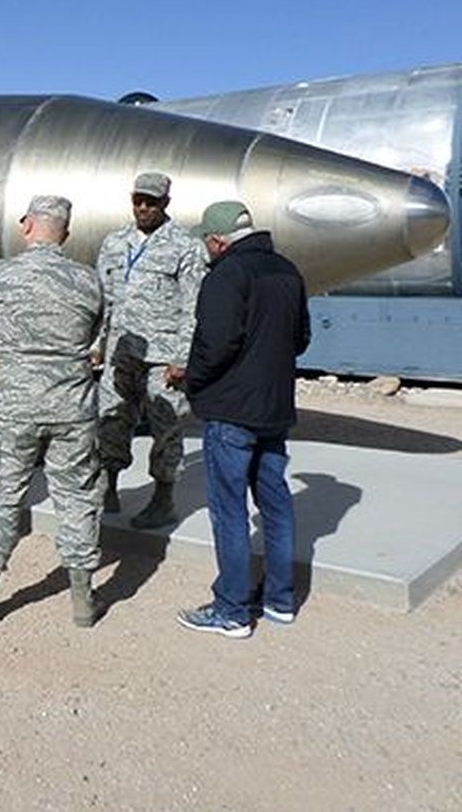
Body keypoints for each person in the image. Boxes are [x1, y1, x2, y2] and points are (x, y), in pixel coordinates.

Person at [0, 195, 105, 628]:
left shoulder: (0, 276)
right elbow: (95, 330)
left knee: (2, 496)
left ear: (26, 226)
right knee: (76, 497)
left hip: (12, 407)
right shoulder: (87, 280)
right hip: (71, 407)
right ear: (66, 233)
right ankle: (82, 601)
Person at [177, 200, 310, 638]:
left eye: (208, 243)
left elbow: (215, 345)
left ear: (218, 241)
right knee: (276, 506)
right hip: (274, 411)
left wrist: (191, 380)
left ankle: (231, 609)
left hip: (232, 412)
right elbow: (301, 339)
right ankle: (279, 600)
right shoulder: (288, 271)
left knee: (229, 509)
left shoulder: (227, 275)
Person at [93, 171, 206, 529]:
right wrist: (97, 345)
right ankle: (107, 486)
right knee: (111, 417)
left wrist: (183, 358)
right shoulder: (115, 242)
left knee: (166, 425)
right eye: (138, 200)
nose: (143, 207)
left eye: (151, 202)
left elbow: (194, 306)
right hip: (120, 350)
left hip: (163, 354)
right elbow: (102, 299)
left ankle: (163, 497)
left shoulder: (185, 246)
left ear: (165, 204)